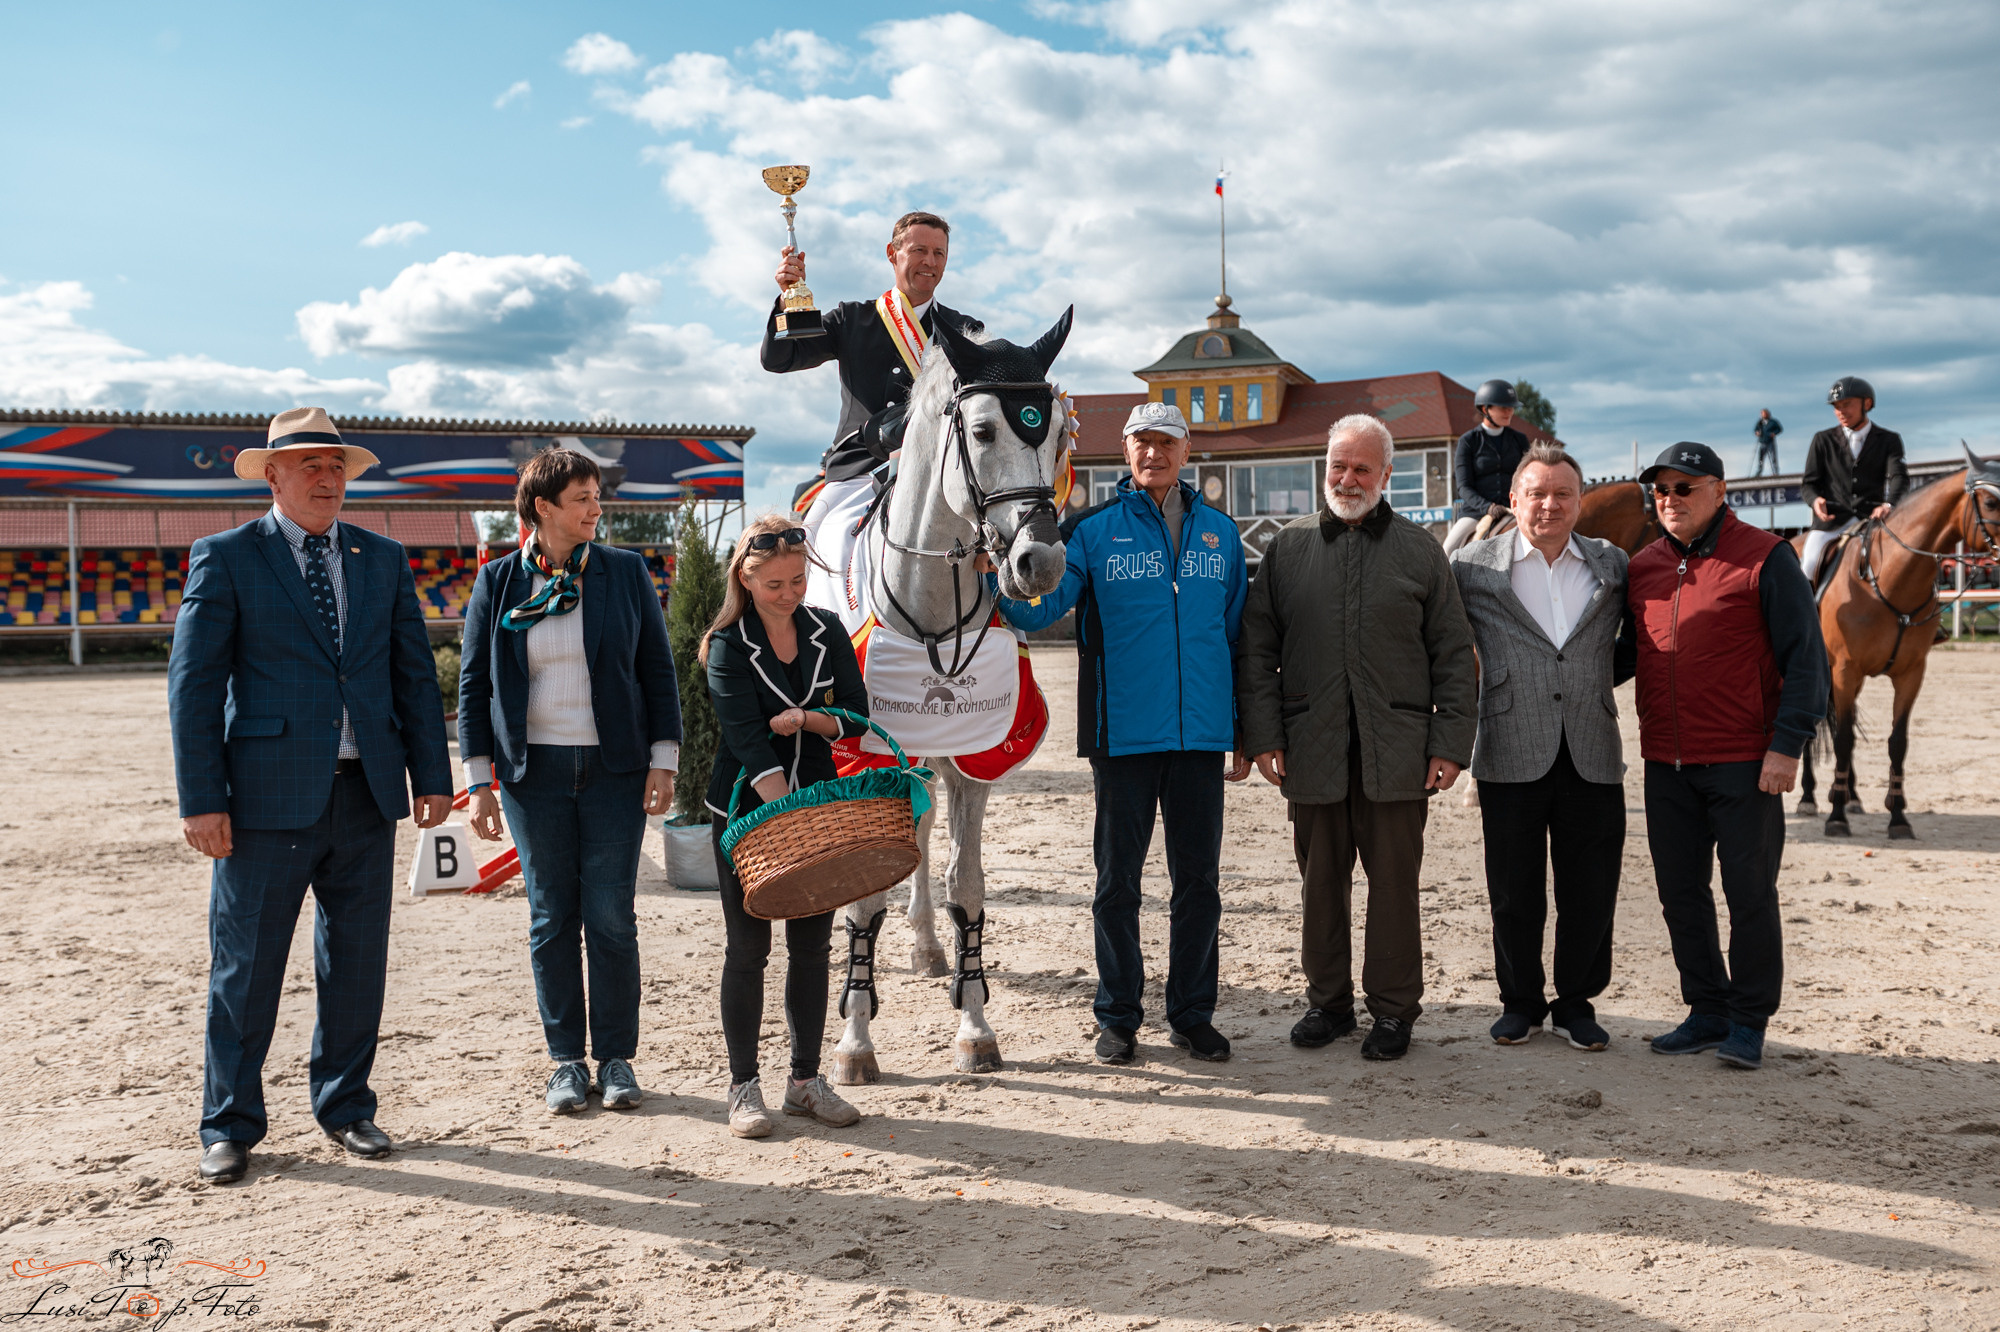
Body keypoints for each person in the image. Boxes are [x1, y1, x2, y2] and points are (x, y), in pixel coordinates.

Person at [169, 407, 453, 1184]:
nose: (328, 479)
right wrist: (202, 798)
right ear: (273, 475)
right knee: (246, 967)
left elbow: (412, 680)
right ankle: (228, 1124)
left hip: (366, 794)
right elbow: (193, 687)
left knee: (357, 963)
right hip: (262, 802)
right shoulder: (224, 557)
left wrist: (432, 776)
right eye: (310, 466)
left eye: (337, 466)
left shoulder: (382, 558)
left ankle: (348, 1107)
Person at [997, 400, 1250, 1066]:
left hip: (1199, 737)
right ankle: (1118, 1017)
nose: (1153, 453)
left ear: (1186, 451)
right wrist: (997, 576)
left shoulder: (1222, 534)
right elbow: (1046, 604)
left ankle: (1193, 1014)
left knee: (1199, 885)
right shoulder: (1093, 531)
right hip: (1123, 735)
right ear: (1127, 452)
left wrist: (1241, 728)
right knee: (1117, 885)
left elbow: (1233, 639)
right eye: (1141, 442)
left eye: (1165, 442)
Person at [1239, 415, 1478, 1061]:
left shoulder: (1420, 549)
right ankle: (1328, 1004)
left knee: (1394, 886)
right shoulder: (1287, 549)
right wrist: (1263, 736)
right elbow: (1258, 651)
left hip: (1398, 750)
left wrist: (1451, 743)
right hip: (1310, 748)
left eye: (1361, 468)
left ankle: (1395, 1013)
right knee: (1320, 884)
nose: (1347, 479)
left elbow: (1454, 653)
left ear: (1386, 476)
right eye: (1338, 466)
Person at [458, 448, 683, 1115]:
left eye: (596, 496)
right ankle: (565, 1061)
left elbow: (656, 669)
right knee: (551, 917)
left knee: (612, 916)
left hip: (615, 769)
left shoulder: (623, 571)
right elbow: (474, 686)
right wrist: (479, 783)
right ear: (543, 508)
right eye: (582, 498)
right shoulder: (497, 582)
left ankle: (615, 1059)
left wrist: (663, 759)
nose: (595, 508)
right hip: (533, 775)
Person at [1628, 443, 1827, 1071]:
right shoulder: (1642, 568)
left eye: (1683, 488)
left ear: (1720, 490)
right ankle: (1707, 1009)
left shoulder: (1767, 558)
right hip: (1666, 762)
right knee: (1680, 894)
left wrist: (1786, 746)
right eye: (1660, 490)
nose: (1669, 500)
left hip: (1746, 761)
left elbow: (1807, 662)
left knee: (1749, 895)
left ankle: (1748, 1020)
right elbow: (1620, 657)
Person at [1450, 443, 1634, 1052]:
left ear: (1580, 502)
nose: (1549, 505)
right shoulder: (1471, 567)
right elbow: (1445, 655)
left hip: (1591, 745)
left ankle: (1576, 1003)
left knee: (1590, 888)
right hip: (1508, 743)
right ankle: (1520, 1001)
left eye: (1562, 494)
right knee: (1513, 888)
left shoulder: (1613, 565)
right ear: (1515, 500)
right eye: (1537, 493)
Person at [701, 514, 872, 1138]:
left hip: (816, 809)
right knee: (748, 949)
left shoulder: (826, 628)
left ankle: (804, 1082)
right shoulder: (726, 644)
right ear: (746, 580)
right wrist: (783, 816)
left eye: (798, 580)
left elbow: (857, 715)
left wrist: (812, 720)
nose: (789, 593)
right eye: (774, 584)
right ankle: (743, 1086)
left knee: (811, 948)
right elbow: (747, 740)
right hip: (750, 814)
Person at [762, 210, 981, 495]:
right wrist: (786, 301)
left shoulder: (965, 329)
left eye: (939, 253)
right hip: (858, 471)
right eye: (919, 250)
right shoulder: (850, 319)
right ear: (892, 253)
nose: (930, 261)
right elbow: (780, 358)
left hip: (939, 472)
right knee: (828, 537)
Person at [1800, 376, 1908, 583]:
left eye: (1847, 404)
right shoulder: (1822, 440)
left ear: (1866, 404)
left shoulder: (1889, 440)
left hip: (1872, 520)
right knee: (1809, 564)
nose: (1840, 411)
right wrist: (1815, 501)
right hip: (1831, 522)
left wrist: (1889, 504)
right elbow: (1809, 483)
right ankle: (1807, 614)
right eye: (1836, 407)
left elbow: (1899, 477)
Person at [1443, 380, 1531, 554]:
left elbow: (1528, 478)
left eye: (1511, 407)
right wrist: (1488, 507)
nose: (1509, 412)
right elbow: (1463, 487)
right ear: (1485, 409)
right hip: (1476, 513)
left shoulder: (1519, 440)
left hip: (1515, 509)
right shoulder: (1468, 441)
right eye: (1503, 407)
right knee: (1446, 551)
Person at [1752, 409, 1784, 478]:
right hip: (1762, 442)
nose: (1763, 415)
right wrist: (1757, 433)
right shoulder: (1760, 423)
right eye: (1762, 414)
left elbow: (1780, 429)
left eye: (1764, 413)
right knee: (1761, 459)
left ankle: (1775, 472)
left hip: (1770, 442)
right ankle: (1759, 472)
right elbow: (1755, 429)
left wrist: (1774, 433)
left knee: (1773, 458)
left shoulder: (1773, 422)